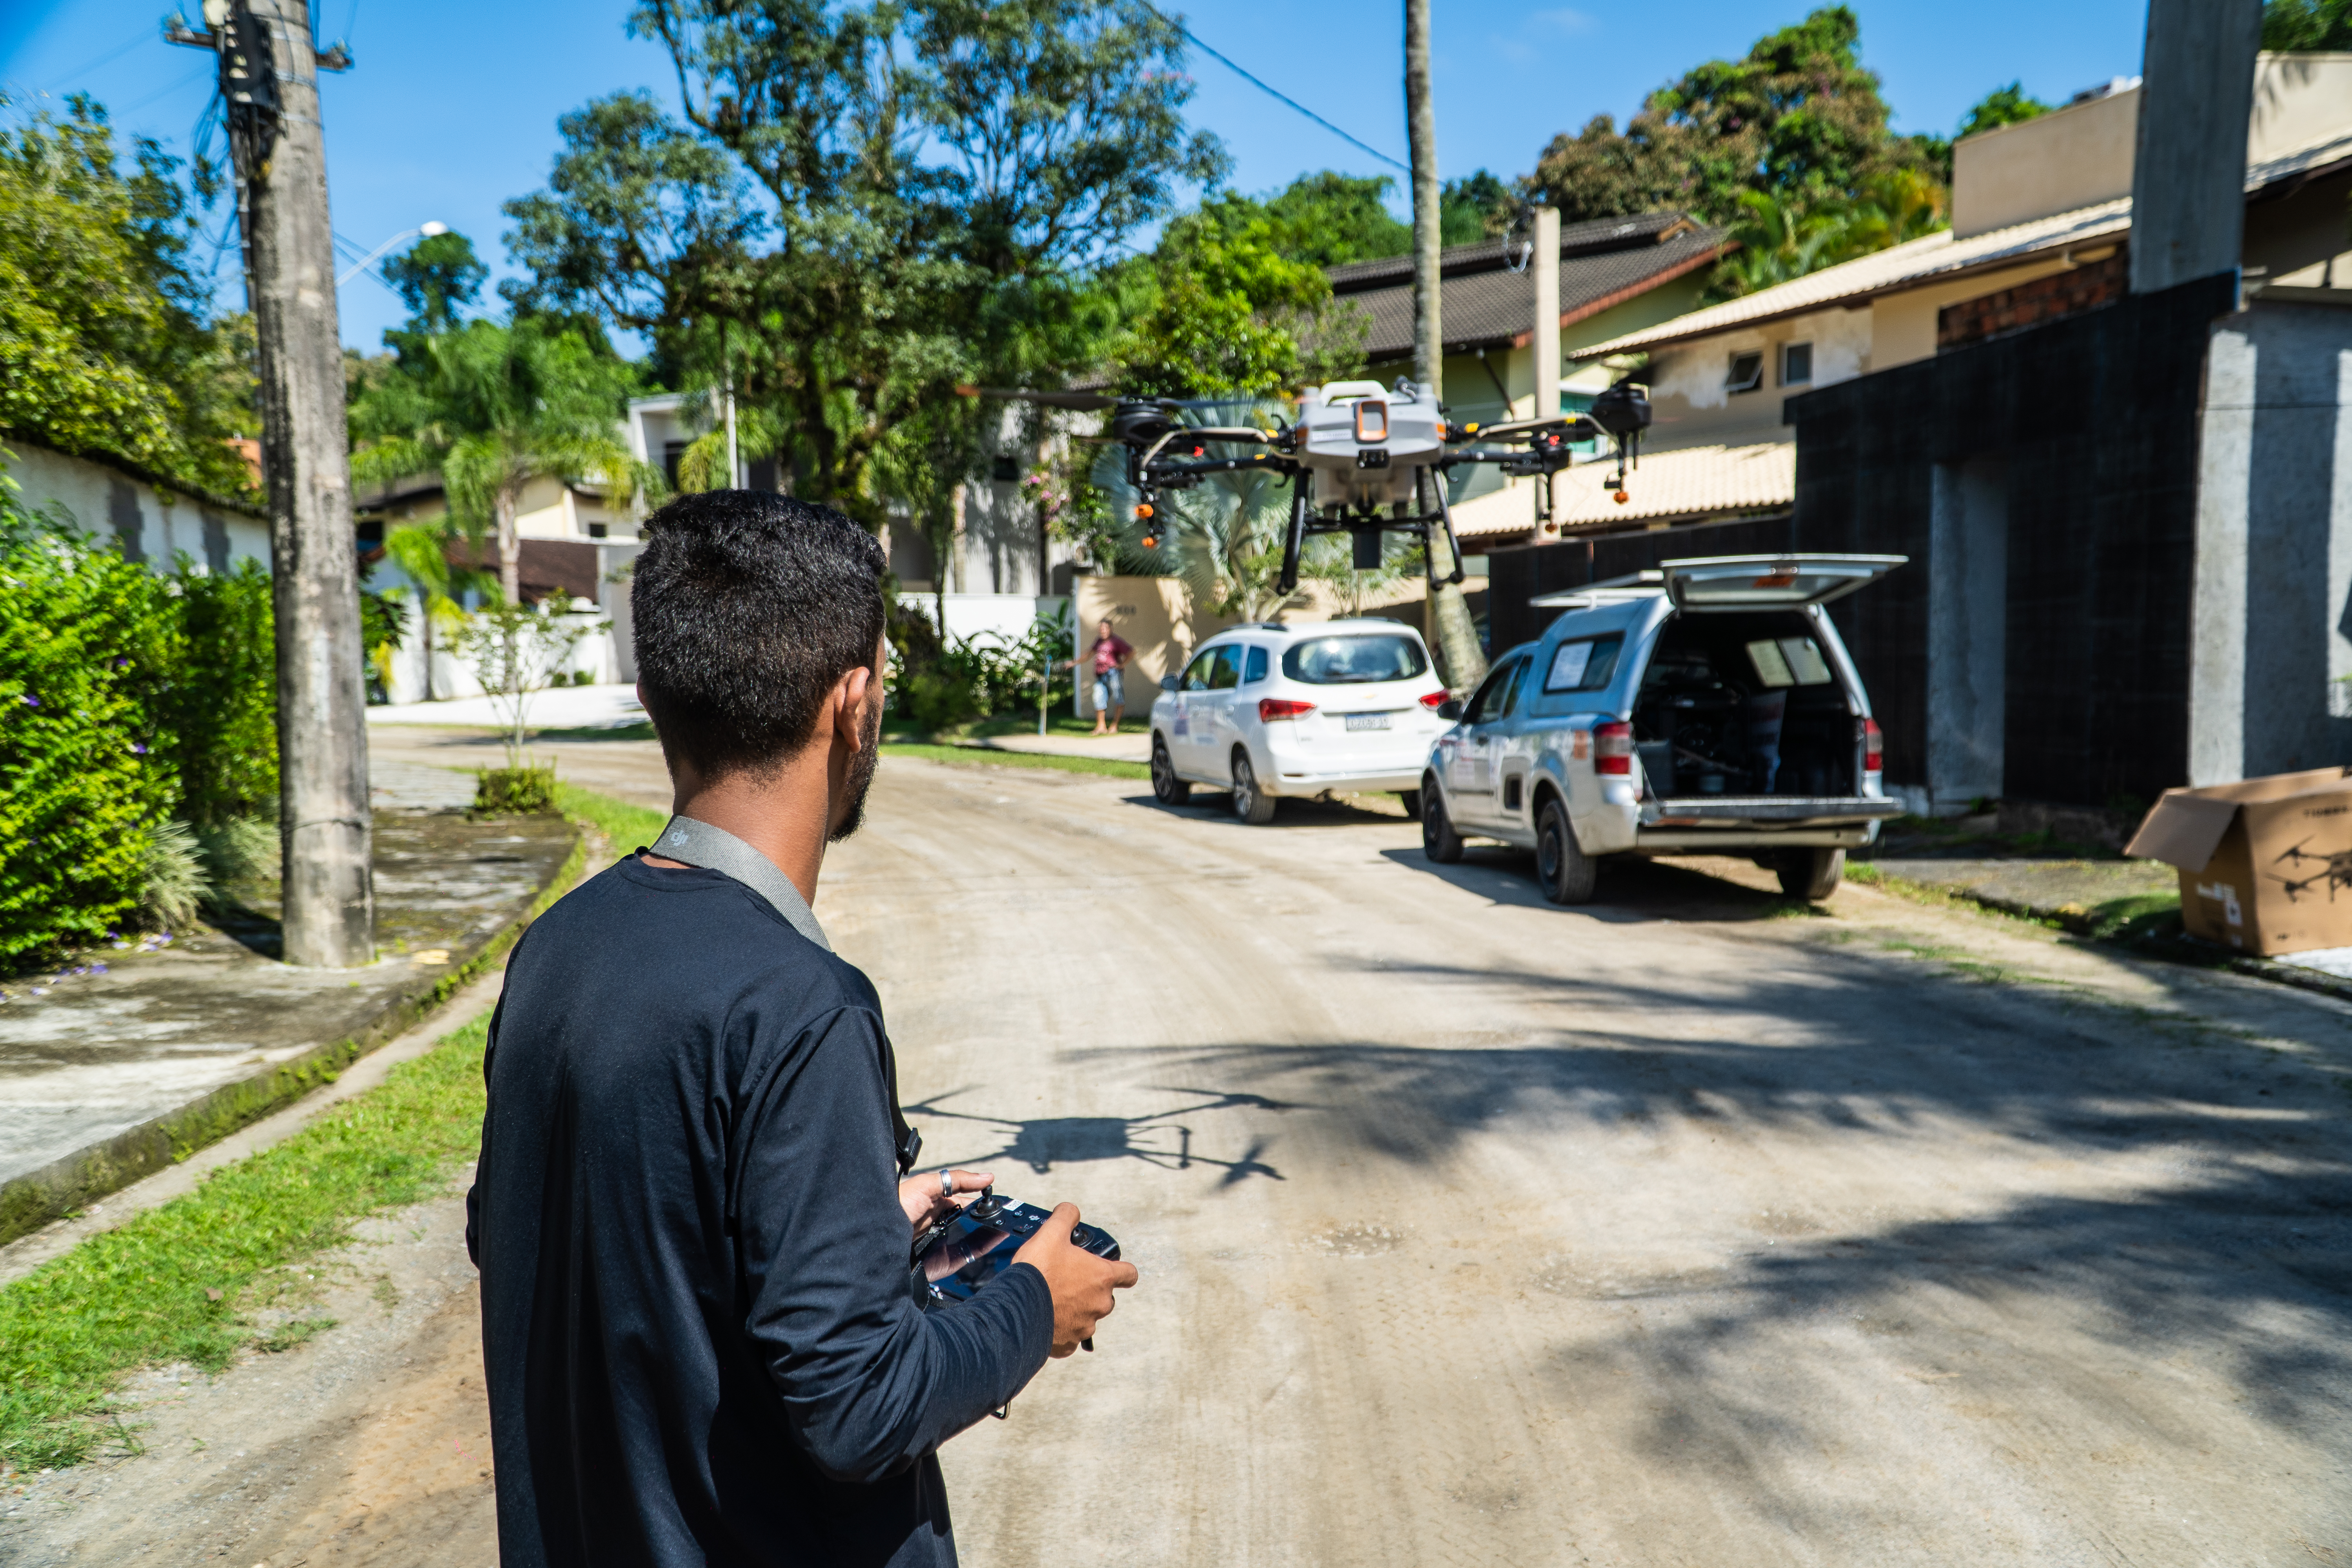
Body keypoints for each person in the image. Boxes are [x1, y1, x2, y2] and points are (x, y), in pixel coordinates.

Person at [467, 490, 1138, 1568]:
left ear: (652, 699)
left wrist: (850, 1224)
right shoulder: (799, 1005)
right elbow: (857, 1409)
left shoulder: (559, 949)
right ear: (856, 704)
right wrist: (1030, 1307)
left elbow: (577, 1242)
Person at [1086, 618, 1134, 736]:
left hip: (1113, 673)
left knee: (1118, 697)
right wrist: (1074, 662)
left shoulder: (1116, 641)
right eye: (1101, 628)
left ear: (1110, 629)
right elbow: (1089, 654)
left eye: (1105, 628)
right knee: (1098, 697)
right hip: (1101, 675)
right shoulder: (1099, 641)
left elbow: (1131, 652)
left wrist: (1122, 664)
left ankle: (1114, 725)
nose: (1102, 631)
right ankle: (1101, 726)